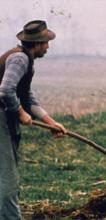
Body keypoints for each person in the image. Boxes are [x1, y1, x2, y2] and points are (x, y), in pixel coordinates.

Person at [0, 20, 67, 219]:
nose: (47, 46)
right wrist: (20, 112)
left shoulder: (23, 58)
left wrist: (50, 122)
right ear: (36, 44)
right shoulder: (20, 59)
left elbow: (26, 95)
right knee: (7, 176)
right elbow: (5, 90)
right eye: (45, 42)